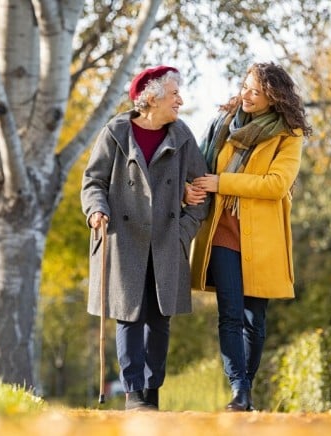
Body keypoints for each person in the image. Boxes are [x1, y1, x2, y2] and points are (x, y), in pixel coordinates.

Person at [81, 66, 210, 411]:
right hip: (124, 239)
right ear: (151, 99)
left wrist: (183, 232)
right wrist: (95, 209)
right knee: (129, 316)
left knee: (159, 318)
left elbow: (202, 191)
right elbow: (93, 181)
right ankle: (134, 393)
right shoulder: (115, 133)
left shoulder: (182, 136)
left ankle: (152, 392)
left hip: (167, 241)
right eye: (174, 95)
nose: (181, 101)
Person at [187, 62, 312, 411]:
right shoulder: (223, 124)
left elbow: (276, 185)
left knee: (255, 320)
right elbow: (199, 163)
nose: (246, 95)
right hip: (223, 231)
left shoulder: (288, 135)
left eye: (256, 91)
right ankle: (239, 390)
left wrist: (223, 183)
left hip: (263, 239)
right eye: (245, 86)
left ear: (274, 98)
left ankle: (246, 387)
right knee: (230, 313)